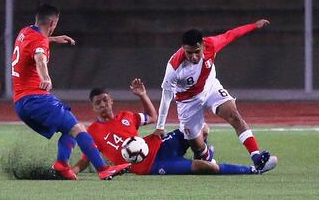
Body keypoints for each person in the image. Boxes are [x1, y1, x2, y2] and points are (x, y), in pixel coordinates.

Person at [11, 4, 130, 180]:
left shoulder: (25, 32)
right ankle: (103, 169)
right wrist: (46, 78)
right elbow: (40, 60)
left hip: (21, 103)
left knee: (68, 129)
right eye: (56, 24)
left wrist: (54, 39)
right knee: (78, 129)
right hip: (36, 99)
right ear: (53, 22)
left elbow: (34, 43)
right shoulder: (40, 42)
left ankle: (61, 165)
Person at [71, 78, 276, 175]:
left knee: (202, 128)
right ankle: (253, 170)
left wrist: (142, 95)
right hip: (149, 166)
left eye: (105, 100)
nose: (103, 105)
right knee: (205, 168)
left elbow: (152, 117)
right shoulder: (93, 132)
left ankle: (202, 152)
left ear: (111, 101)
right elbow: (86, 156)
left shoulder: (126, 116)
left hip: (160, 145)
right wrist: (73, 171)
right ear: (93, 108)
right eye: (98, 103)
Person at [153, 19, 278, 170]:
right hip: (188, 102)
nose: (193, 57)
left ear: (203, 46)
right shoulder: (174, 67)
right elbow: (166, 95)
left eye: (197, 52)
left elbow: (231, 35)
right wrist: (160, 126)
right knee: (197, 146)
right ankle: (205, 156)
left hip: (210, 87)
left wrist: (253, 26)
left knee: (234, 115)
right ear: (183, 49)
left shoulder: (211, 44)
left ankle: (257, 158)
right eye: (189, 53)